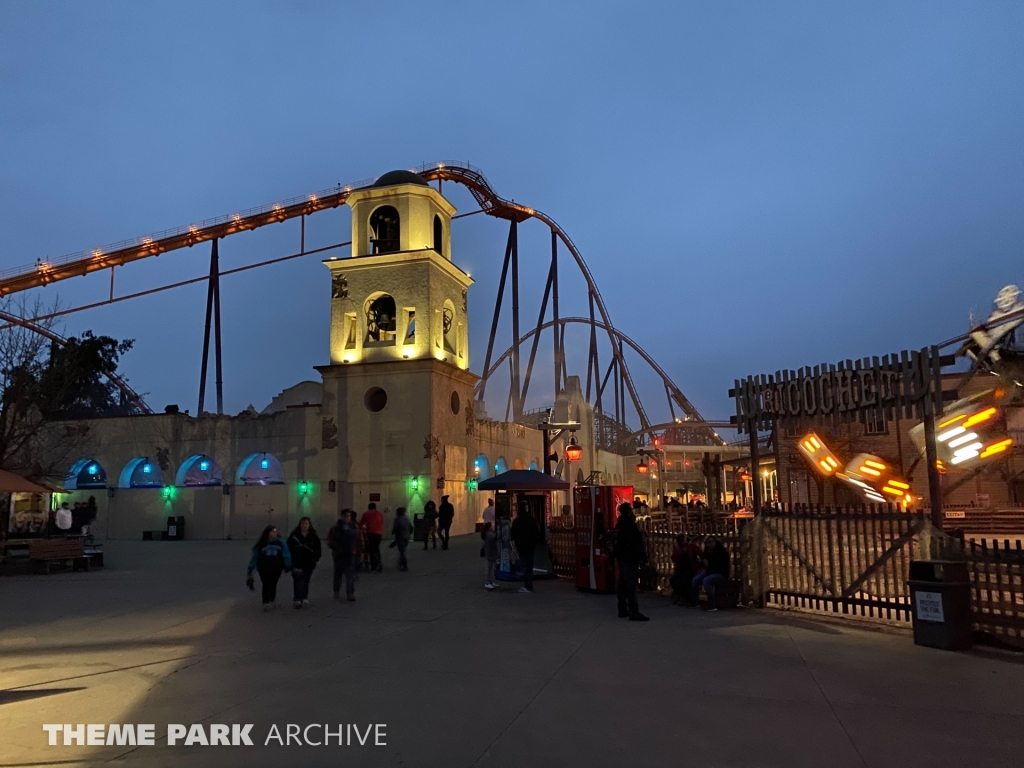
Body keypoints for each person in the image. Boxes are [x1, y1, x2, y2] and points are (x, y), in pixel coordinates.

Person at [614, 503, 649, 621]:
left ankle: (622, 608)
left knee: (623, 583)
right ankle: (634, 611)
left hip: (622, 558)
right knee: (631, 585)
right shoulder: (630, 525)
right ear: (629, 511)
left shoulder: (619, 524)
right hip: (630, 558)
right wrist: (644, 558)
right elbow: (637, 543)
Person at [247, 525, 292, 611]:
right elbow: (255, 556)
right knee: (266, 584)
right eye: (272, 532)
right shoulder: (262, 544)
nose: (275, 533)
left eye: (275, 531)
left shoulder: (281, 543)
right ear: (268, 533)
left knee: (273, 583)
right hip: (264, 567)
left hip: (277, 567)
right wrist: (251, 567)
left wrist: (288, 564)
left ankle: (272, 599)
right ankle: (265, 602)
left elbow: (286, 554)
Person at [287, 517, 321, 608]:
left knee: (306, 581)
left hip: (309, 563)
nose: (304, 525)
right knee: (297, 581)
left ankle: (304, 597)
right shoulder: (294, 536)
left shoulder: (313, 537)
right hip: (296, 562)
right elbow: (288, 548)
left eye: (306, 523)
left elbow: (318, 550)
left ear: (309, 525)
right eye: (302, 523)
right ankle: (297, 599)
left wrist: (315, 559)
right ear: (300, 525)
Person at [691, 536, 730, 612]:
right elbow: (704, 562)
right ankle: (695, 602)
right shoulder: (707, 552)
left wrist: (708, 564)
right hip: (710, 572)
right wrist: (701, 563)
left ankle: (712, 604)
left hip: (721, 574)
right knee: (695, 580)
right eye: (708, 542)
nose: (710, 544)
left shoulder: (721, 552)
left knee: (706, 580)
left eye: (712, 542)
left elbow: (721, 566)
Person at [328, 510, 358, 601]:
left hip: (350, 554)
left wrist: (358, 551)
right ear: (342, 516)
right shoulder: (336, 528)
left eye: (349, 516)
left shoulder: (354, 527)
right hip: (339, 554)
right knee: (338, 573)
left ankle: (350, 593)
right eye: (346, 516)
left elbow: (359, 540)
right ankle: (336, 590)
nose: (347, 518)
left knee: (350, 575)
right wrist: (337, 548)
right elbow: (330, 541)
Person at [510, 507, 540, 593]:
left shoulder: (517, 521)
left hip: (521, 546)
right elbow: (537, 532)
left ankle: (527, 585)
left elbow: (513, 533)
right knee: (529, 565)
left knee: (523, 564)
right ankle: (529, 585)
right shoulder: (532, 520)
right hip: (530, 546)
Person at [360, 502, 384, 571]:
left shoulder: (366, 514)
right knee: (377, 548)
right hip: (379, 533)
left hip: (370, 533)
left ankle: (374, 565)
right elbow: (381, 523)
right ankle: (379, 563)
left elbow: (361, 523)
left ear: (369, 507)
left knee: (371, 549)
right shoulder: (380, 514)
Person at [392, 506, 411, 571]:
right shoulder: (406, 519)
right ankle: (400, 563)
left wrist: (393, 533)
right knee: (403, 550)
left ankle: (404, 564)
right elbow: (411, 528)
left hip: (400, 536)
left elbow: (396, 528)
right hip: (406, 536)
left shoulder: (397, 519)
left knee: (402, 551)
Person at [481, 521, 498, 590]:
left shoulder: (487, 534)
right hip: (490, 552)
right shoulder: (489, 534)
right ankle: (487, 582)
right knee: (489, 567)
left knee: (491, 566)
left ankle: (490, 581)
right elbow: (494, 537)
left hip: (490, 552)